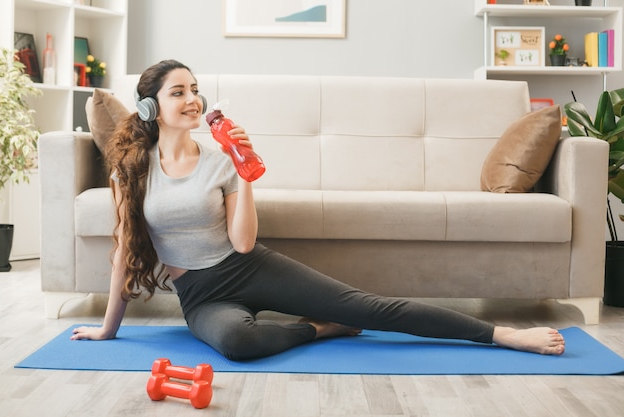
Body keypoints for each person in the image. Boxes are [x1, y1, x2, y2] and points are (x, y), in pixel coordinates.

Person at [71, 59, 565, 360]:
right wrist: (107, 329)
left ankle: (501, 335)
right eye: (178, 92)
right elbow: (123, 250)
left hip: (246, 266)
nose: (193, 99)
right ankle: (319, 328)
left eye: (195, 88)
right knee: (237, 344)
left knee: (370, 308)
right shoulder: (131, 170)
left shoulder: (220, 162)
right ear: (152, 108)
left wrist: (245, 173)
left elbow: (242, 242)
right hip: (200, 293)